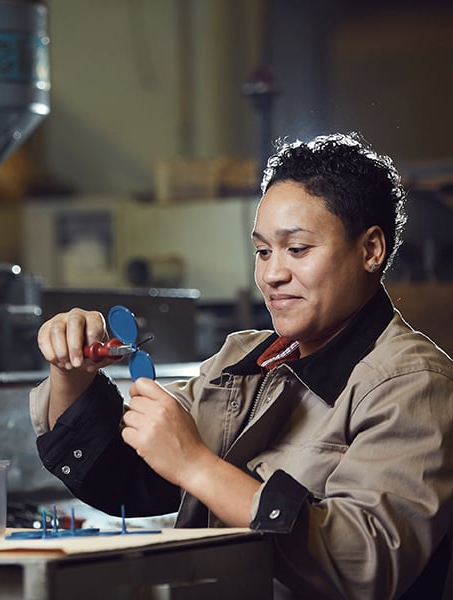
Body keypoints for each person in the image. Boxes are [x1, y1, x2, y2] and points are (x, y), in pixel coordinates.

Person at [30, 132, 453, 599]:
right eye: (263, 251)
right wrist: (70, 372)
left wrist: (195, 464)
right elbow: (128, 480)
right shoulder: (244, 361)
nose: (272, 274)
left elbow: (364, 565)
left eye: (297, 249)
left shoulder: (412, 384)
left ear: (371, 250)